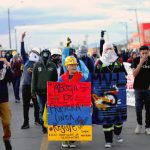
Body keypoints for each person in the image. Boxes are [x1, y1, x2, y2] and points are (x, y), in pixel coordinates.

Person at [94, 42, 127, 148]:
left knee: (118, 118)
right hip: (104, 94)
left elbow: (123, 75)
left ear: (114, 49)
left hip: (118, 94)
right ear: (103, 51)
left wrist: (122, 83)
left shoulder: (118, 62)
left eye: (110, 49)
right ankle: (108, 140)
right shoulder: (99, 63)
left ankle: (117, 133)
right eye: (106, 49)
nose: (109, 51)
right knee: (106, 118)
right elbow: (95, 78)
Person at [58, 56, 86, 148]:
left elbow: (84, 90)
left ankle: (72, 139)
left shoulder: (81, 77)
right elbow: (57, 91)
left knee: (75, 121)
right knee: (65, 121)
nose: (74, 66)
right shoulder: (61, 78)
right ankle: (65, 139)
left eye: (75, 65)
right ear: (67, 66)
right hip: (65, 104)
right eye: (72, 65)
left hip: (76, 104)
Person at [31, 49, 58, 133]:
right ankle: (43, 125)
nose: (45, 55)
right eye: (44, 53)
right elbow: (34, 79)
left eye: (47, 53)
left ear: (49, 55)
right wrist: (33, 91)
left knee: (50, 109)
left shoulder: (53, 66)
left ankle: (49, 124)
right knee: (42, 109)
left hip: (50, 92)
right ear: (41, 55)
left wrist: (55, 91)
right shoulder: (36, 65)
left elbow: (56, 79)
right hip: (39, 92)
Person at [20, 32, 40, 129]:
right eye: (33, 52)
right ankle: (26, 122)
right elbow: (22, 51)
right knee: (25, 105)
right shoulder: (26, 60)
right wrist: (22, 40)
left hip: (34, 86)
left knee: (36, 104)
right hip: (25, 85)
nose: (34, 54)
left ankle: (37, 120)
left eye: (36, 53)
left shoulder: (38, 63)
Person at [131, 45, 150, 135]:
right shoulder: (135, 60)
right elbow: (134, 74)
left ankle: (148, 126)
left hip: (148, 88)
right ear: (140, 53)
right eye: (143, 53)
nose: (145, 55)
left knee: (148, 109)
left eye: (146, 53)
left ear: (148, 52)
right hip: (138, 88)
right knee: (138, 108)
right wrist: (140, 63)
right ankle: (139, 124)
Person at [0, 58, 12, 150]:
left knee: (7, 122)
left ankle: (6, 138)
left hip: (3, 98)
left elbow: (10, 79)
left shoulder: (3, 62)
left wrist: (8, 67)